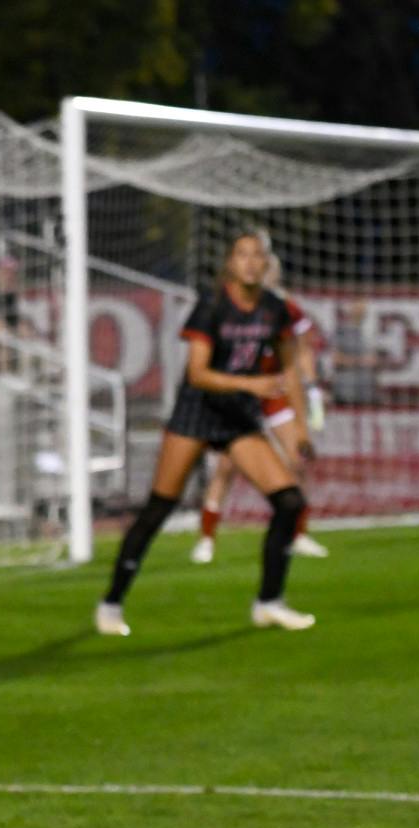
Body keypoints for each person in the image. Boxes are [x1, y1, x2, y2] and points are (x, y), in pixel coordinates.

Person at [95, 231, 314, 636]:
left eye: (257, 256)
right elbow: (197, 373)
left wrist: (301, 426)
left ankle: (269, 603)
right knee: (159, 508)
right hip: (197, 411)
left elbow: (289, 370)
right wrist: (251, 384)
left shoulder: (274, 308)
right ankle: (111, 603)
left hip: (238, 417)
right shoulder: (212, 306)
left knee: (289, 501)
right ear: (230, 262)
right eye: (242, 255)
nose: (250, 262)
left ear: (267, 264)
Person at [192, 251, 329, 564]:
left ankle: (299, 534)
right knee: (226, 467)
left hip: (275, 390)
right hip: (243, 394)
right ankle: (206, 539)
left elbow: (302, 349)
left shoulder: (284, 307)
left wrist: (311, 386)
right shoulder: (228, 306)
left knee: (297, 459)